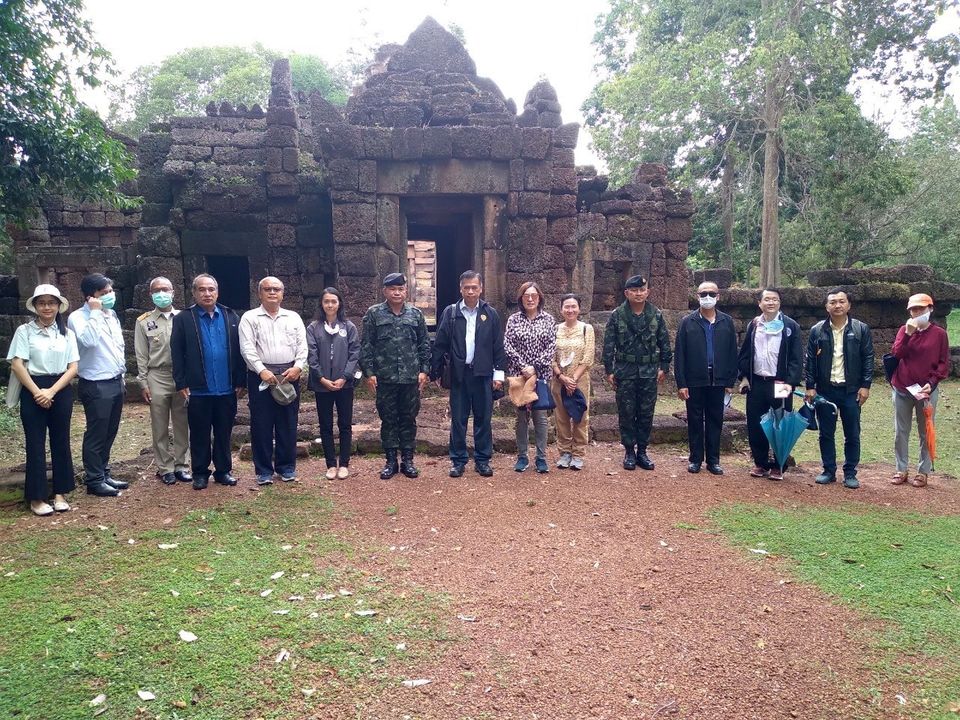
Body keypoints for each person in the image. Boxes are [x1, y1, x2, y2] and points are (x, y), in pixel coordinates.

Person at [7, 284, 79, 515]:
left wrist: (51, 392)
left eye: (51, 303)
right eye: (42, 303)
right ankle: (37, 497)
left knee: (61, 441)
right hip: (32, 388)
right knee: (35, 443)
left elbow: (73, 368)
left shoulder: (67, 333)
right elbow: (17, 364)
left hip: (60, 389)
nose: (47, 307)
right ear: (35, 306)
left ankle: (60, 492)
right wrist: (38, 392)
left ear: (59, 306)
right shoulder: (24, 331)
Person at [171, 274, 246, 490]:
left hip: (226, 386)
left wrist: (240, 379)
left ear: (217, 292)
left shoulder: (230, 316)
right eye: (202, 289)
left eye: (211, 289)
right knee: (200, 432)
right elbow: (177, 352)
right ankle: (200, 473)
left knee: (224, 432)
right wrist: (181, 382)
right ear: (194, 293)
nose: (207, 293)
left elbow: (240, 350)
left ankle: (223, 470)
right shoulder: (184, 318)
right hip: (198, 388)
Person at [431, 270, 506, 478]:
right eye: (467, 287)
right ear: (460, 288)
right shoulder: (451, 312)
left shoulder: (490, 314)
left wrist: (499, 375)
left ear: (481, 288)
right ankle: (458, 460)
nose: (471, 291)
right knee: (458, 419)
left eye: (474, 287)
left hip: (483, 375)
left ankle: (482, 459)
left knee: (483, 419)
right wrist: (435, 371)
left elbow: (498, 347)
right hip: (459, 374)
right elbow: (440, 343)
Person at [360, 273, 430, 479]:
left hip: (410, 378)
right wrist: (369, 373)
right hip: (385, 377)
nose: (397, 292)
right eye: (392, 289)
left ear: (406, 291)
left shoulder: (415, 314)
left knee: (409, 418)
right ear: (385, 291)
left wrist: (424, 370)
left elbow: (424, 345)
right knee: (388, 419)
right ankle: (390, 461)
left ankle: (408, 460)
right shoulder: (374, 314)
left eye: (400, 289)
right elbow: (367, 345)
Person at [239, 277, 308, 486]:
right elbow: (247, 348)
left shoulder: (293, 317)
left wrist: (298, 366)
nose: (272, 292)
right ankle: (263, 471)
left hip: (289, 374)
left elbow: (302, 346)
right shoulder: (250, 318)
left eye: (276, 289)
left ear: (282, 294)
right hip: (261, 375)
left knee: (288, 422)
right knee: (261, 423)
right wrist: (261, 370)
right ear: (259, 293)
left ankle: (286, 467)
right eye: (267, 289)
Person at [804, 288, 874, 489]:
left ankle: (850, 472)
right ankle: (828, 470)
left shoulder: (860, 329)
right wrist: (810, 386)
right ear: (826, 306)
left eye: (841, 301)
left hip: (851, 390)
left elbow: (868, 357)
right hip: (826, 390)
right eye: (833, 302)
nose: (837, 305)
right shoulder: (818, 330)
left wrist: (865, 385)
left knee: (852, 433)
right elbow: (809, 361)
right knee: (826, 433)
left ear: (848, 305)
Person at [601, 275, 673, 471]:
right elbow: (609, 344)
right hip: (625, 371)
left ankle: (642, 450)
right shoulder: (617, 315)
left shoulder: (656, 315)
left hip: (649, 372)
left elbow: (664, 342)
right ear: (627, 293)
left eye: (642, 290)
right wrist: (609, 370)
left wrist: (664, 367)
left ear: (647, 292)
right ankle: (629, 451)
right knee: (626, 412)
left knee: (646, 412)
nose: (639, 293)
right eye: (634, 290)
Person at [68, 273, 129, 497]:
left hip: (115, 380)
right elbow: (90, 342)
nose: (110, 296)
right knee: (96, 433)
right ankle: (94, 480)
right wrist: (94, 311)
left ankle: (104, 472)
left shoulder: (111, 314)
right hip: (95, 384)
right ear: (89, 297)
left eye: (111, 291)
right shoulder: (78, 317)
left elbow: (117, 347)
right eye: (104, 293)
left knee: (110, 431)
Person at [736, 288, 803, 480]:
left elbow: (796, 358)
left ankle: (778, 464)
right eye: (767, 299)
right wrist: (744, 377)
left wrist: (790, 382)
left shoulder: (790, 326)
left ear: (780, 303)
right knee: (756, 424)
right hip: (757, 382)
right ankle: (760, 463)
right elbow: (745, 354)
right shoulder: (754, 325)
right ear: (760, 303)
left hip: (780, 382)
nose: (771, 303)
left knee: (780, 423)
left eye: (775, 299)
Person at [674, 281, 738, 475]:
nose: (707, 297)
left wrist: (730, 381)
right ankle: (695, 459)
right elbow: (680, 355)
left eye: (711, 294)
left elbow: (732, 353)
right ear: (697, 296)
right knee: (694, 420)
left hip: (718, 380)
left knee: (715, 420)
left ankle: (713, 460)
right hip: (695, 379)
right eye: (703, 294)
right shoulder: (687, 322)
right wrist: (681, 383)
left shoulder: (726, 322)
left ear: (718, 296)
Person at [889, 293, 950, 488]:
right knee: (901, 430)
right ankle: (901, 468)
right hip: (902, 387)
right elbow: (897, 354)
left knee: (926, 430)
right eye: (913, 309)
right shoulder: (904, 330)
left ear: (930, 309)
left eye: (921, 309)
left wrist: (932, 383)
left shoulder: (940, 334)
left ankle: (923, 471)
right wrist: (908, 334)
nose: (917, 313)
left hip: (926, 390)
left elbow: (943, 363)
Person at [135, 276, 190, 486]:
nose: (161, 293)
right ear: (151, 294)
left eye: (165, 289)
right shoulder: (144, 321)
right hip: (156, 375)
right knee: (159, 425)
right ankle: (164, 467)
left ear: (173, 292)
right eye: (157, 290)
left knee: (182, 423)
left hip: (180, 376)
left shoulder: (183, 317)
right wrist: (143, 383)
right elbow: (141, 354)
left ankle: (182, 465)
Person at [306, 287, 360, 480]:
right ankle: (330, 464)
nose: (330, 305)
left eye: (334, 301)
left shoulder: (349, 327)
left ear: (339, 304)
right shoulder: (313, 328)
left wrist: (345, 376)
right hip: (322, 384)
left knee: (345, 424)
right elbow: (311, 355)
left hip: (344, 384)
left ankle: (344, 463)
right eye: (326, 301)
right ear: (321, 304)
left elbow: (355, 353)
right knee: (325, 425)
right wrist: (321, 378)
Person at [504, 281, 556, 474]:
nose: (531, 299)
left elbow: (551, 347)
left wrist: (534, 367)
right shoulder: (514, 319)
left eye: (534, 295)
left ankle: (541, 458)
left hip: (540, 375)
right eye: (527, 296)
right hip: (520, 375)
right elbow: (507, 345)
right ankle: (522, 456)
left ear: (540, 297)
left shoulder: (549, 320)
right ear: (521, 298)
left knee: (540, 417)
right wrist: (523, 367)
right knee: (521, 418)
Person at [551, 294, 595, 470]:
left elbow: (588, 356)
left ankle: (578, 453)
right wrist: (562, 377)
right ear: (561, 309)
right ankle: (564, 452)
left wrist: (573, 379)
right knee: (561, 417)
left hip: (580, 380)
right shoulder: (555, 329)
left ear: (579, 309)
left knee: (580, 416)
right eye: (566, 307)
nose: (570, 310)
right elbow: (550, 357)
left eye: (573, 307)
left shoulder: (586, 329)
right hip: (559, 379)